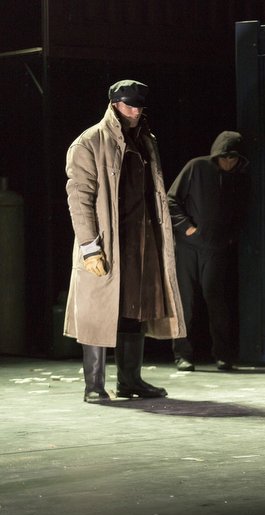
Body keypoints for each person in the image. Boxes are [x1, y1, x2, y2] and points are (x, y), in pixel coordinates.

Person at [65, 79, 186, 402]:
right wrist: (90, 247)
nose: (134, 111)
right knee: (98, 312)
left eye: (139, 105)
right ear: (114, 104)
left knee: (136, 309)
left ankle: (130, 380)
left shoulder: (147, 140)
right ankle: (94, 385)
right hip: (107, 241)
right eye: (129, 104)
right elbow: (80, 199)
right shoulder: (89, 142)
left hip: (141, 240)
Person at [167, 132, 249, 371]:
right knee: (185, 301)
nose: (229, 162)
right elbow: (172, 199)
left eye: (234, 158)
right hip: (187, 247)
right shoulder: (196, 167)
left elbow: (242, 213)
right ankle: (182, 355)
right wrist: (187, 228)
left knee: (216, 302)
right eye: (225, 157)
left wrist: (229, 238)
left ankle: (223, 355)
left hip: (215, 249)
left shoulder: (240, 179)